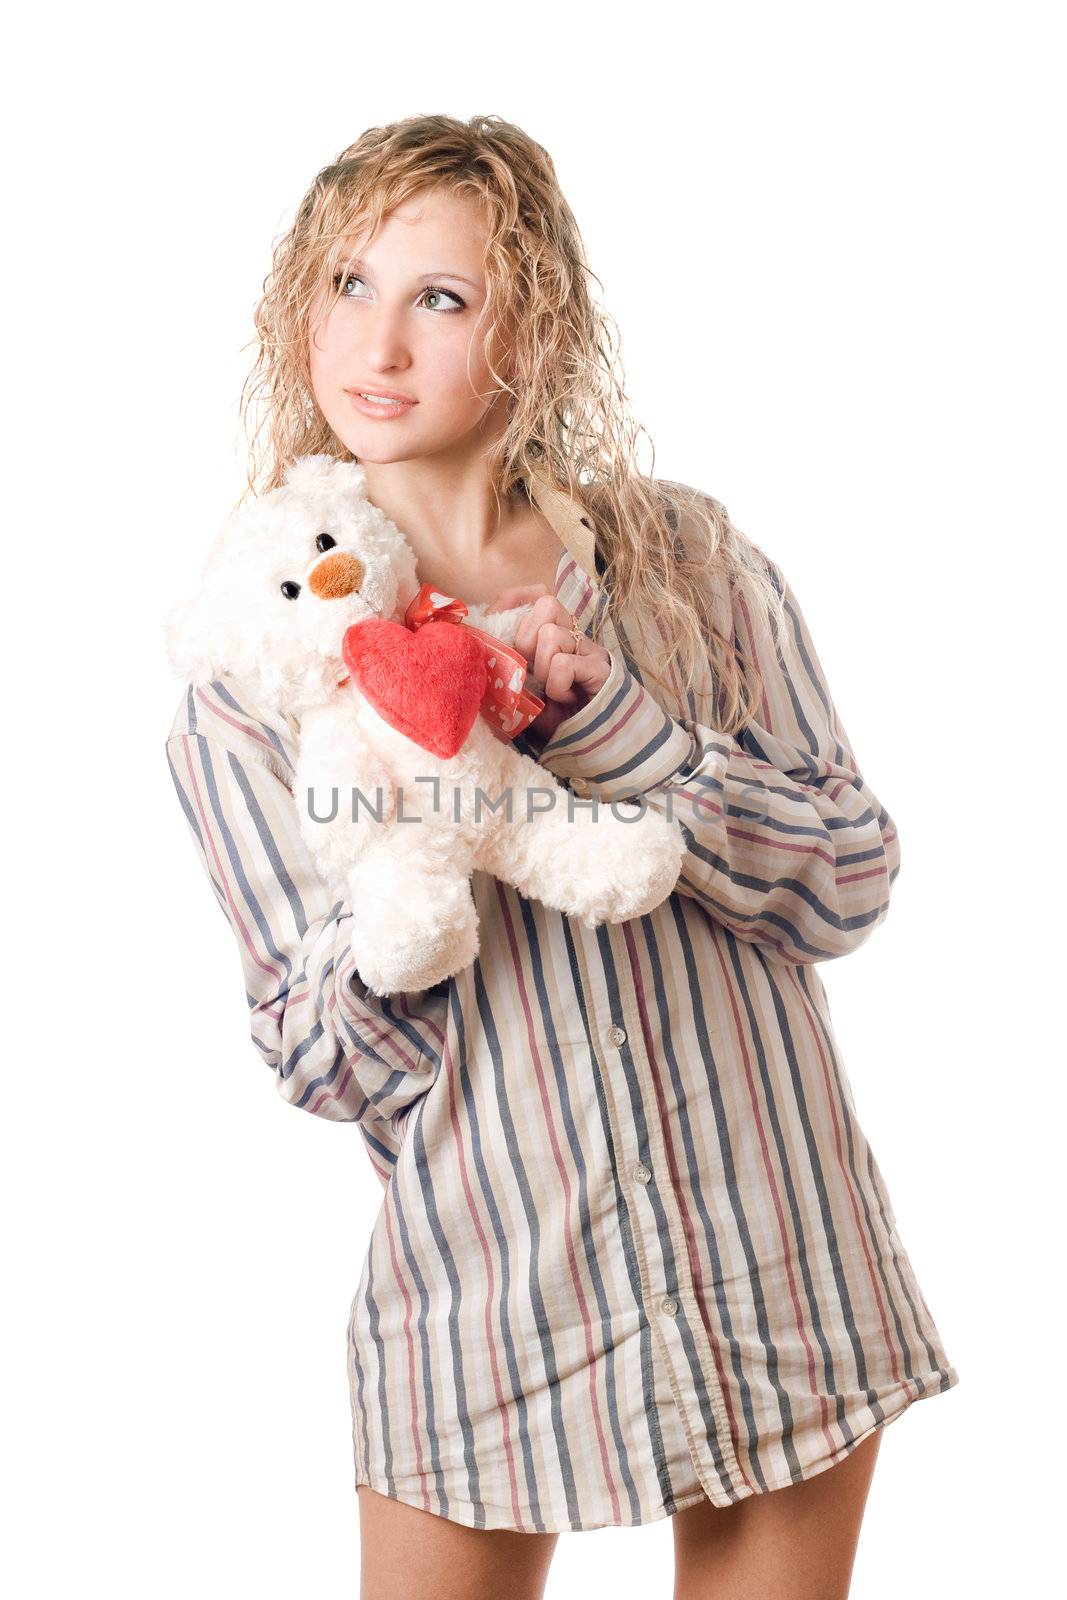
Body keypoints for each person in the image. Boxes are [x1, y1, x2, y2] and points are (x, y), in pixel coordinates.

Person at [164, 114, 959, 1600]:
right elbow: (317, 1055)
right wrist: (410, 895)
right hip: (489, 1302)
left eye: (441, 298)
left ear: (533, 332)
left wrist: (618, 733)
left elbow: (848, 881)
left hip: (779, 1267)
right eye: (347, 284)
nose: (378, 343)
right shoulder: (254, 667)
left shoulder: (689, 568)